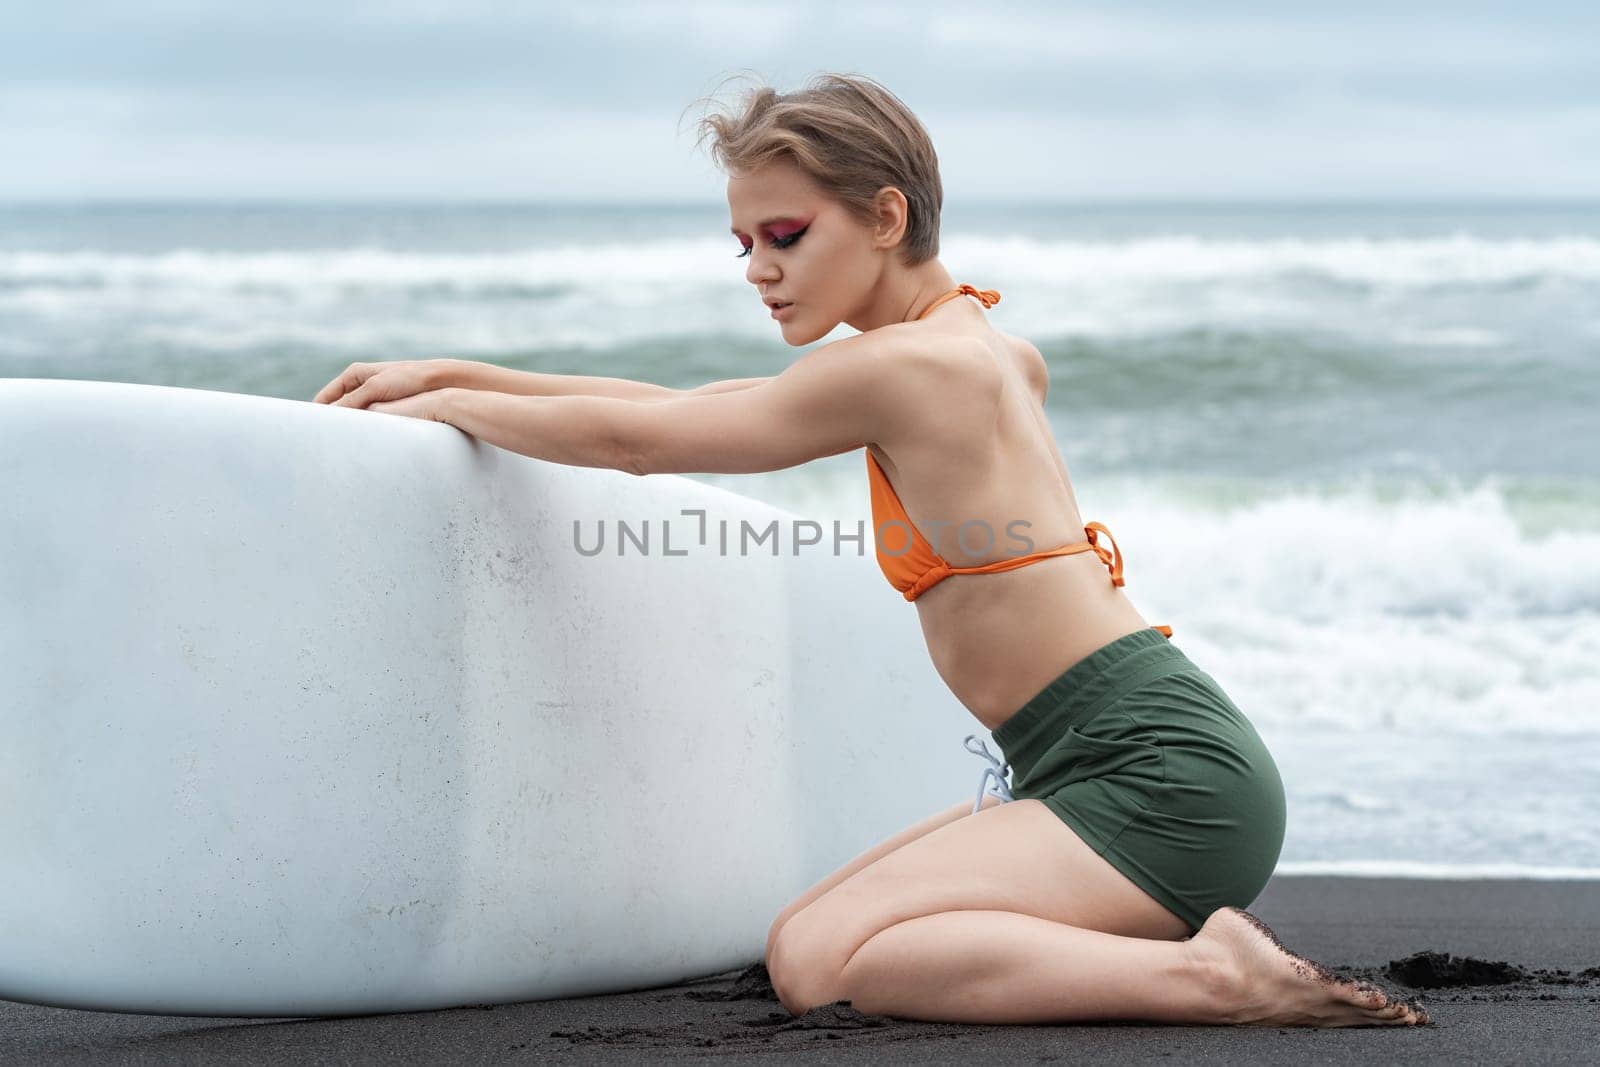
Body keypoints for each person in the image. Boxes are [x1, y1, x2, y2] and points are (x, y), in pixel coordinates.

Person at [312, 72, 1427, 1029]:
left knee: (817, 962)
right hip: (1098, 757)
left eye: (786, 235)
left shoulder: (907, 368)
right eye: (744, 242)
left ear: (885, 216)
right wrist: (464, 374)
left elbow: (642, 441)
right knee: (802, 931)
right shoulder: (971, 346)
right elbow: (701, 400)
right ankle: (1183, 952)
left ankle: (1208, 976)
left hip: (1154, 770)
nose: (757, 266)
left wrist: (443, 404)